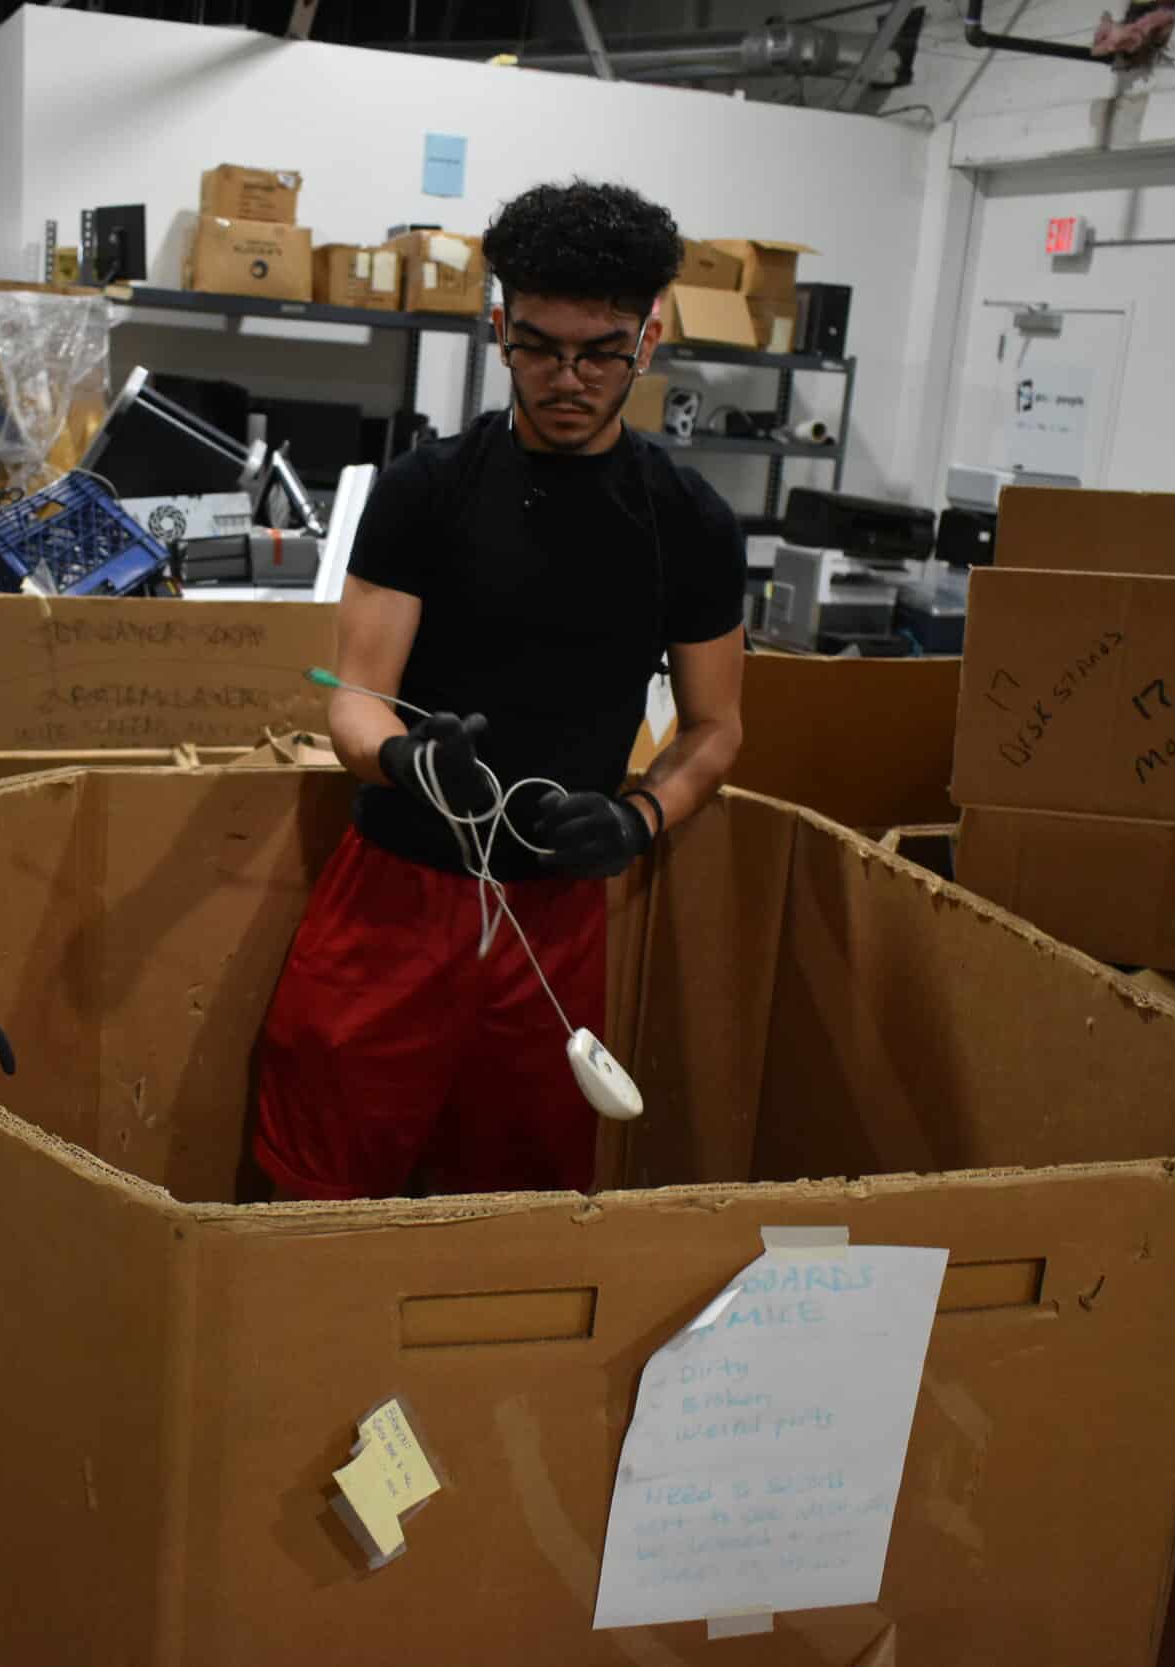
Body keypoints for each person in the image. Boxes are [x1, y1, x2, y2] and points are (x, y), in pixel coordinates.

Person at [251, 180, 748, 1202]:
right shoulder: (424, 493)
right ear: (497, 327)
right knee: (314, 1183)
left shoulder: (687, 522)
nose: (568, 377)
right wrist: (398, 755)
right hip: (393, 900)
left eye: (601, 349)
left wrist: (640, 815)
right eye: (537, 345)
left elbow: (713, 726)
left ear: (648, 338)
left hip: (557, 912)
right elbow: (354, 696)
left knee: (518, 1198)